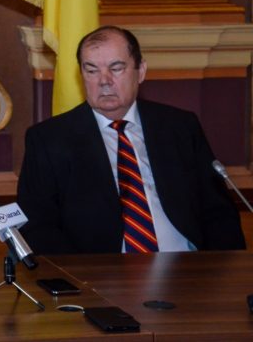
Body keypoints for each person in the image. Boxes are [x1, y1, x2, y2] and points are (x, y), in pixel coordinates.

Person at [17, 25, 245, 254]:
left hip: (188, 264)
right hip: (102, 270)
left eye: (116, 68)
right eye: (92, 70)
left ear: (141, 71)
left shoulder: (180, 127)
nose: (104, 81)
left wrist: (222, 269)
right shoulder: (49, 139)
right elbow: (38, 225)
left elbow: (219, 212)